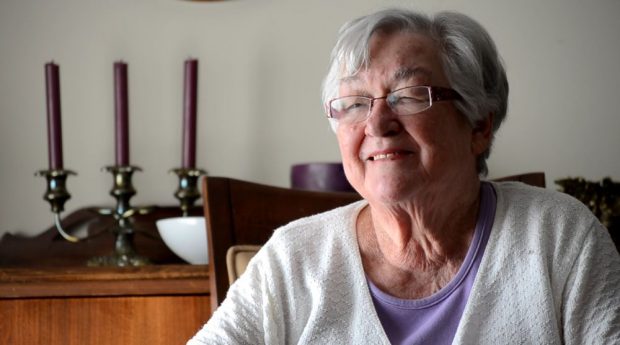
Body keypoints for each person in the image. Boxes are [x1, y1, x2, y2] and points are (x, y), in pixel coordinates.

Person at [188, 8, 620, 344]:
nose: (376, 124)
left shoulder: (560, 237)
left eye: (410, 95)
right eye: (355, 102)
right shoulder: (293, 260)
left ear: (479, 126)